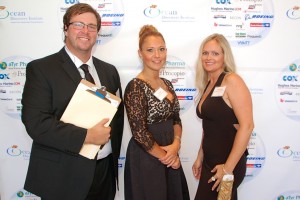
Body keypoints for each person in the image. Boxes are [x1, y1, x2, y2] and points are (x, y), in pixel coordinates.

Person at [21, 3, 124, 200]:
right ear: (66, 29)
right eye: (78, 24)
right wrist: (86, 136)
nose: (85, 31)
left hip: (104, 174)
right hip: (63, 177)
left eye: (92, 26)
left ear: (97, 32)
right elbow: (36, 124)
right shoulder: (41, 69)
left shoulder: (109, 71)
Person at [123, 25, 190, 200]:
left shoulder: (167, 83)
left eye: (161, 49)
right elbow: (139, 132)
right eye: (150, 50)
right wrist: (168, 158)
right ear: (140, 53)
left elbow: (176, 118)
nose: (157, 55)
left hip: (169, 150)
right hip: (148, 156)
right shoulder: (135, 86)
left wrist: (176, 145)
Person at [192, 33, 254, 200]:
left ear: (224, 56)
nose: (208, 57)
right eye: (205, 53)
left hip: (228, 163)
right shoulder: (208, 83)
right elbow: (209, 126)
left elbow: (247, 126)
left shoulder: (232, 80)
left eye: (215, 53)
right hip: (210, 162)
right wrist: (200, 156)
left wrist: (227, 168)